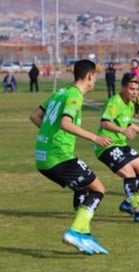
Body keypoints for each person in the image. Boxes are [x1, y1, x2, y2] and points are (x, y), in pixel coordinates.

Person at [29, 59, 112, 255]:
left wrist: (49, 135)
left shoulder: (61, 92)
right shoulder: (74, 95)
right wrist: (95, 137)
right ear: (90, 76)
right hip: (59, 156)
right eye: (95, 77)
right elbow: (66, 123)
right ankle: (75, 231)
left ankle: (84, 233)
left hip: (43, 156)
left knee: (83, 188)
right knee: (99, 189)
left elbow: (35, 116)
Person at [94, 72, 139, 222]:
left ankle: (127, 202)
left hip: (120, 144)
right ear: (123, 87)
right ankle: (138, 212)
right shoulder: (114, 101)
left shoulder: (131, 104)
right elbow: (104, 123)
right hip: (106, 145)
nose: (134, 92)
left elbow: (128, 124)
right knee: (129, 173)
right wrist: (122, 130)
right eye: (131, 89)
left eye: (136, 89)